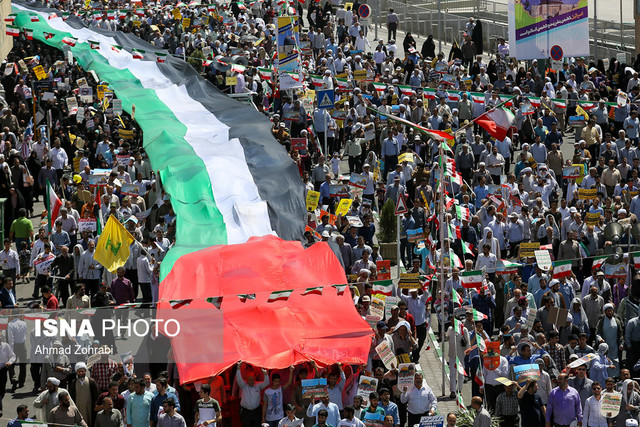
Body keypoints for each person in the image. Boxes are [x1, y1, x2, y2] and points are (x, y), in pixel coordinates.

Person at [237, 361, 270, 427]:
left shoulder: (258, 385)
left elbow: (266, 383)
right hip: (246, 412)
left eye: (252, 379)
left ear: (255, 379)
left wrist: (265, 374)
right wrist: (238, 368)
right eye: (249, 379)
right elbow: (238, 379)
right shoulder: (243, 385)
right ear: (247, 380)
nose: (251, 381)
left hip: (256, 411)